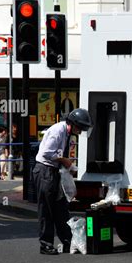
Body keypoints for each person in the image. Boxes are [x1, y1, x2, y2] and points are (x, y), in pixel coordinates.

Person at [33, 108, 93, 255]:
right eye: (80, 128)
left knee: (61, 208)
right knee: (46, 209)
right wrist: (65, 161)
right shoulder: (58, 131)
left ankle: (68, 241)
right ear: (73, 124)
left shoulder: (67, 133)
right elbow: (47, 153)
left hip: (54, 171)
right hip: (45, 171)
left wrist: (67, 166)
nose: (80, 132)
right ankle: (45, 245)